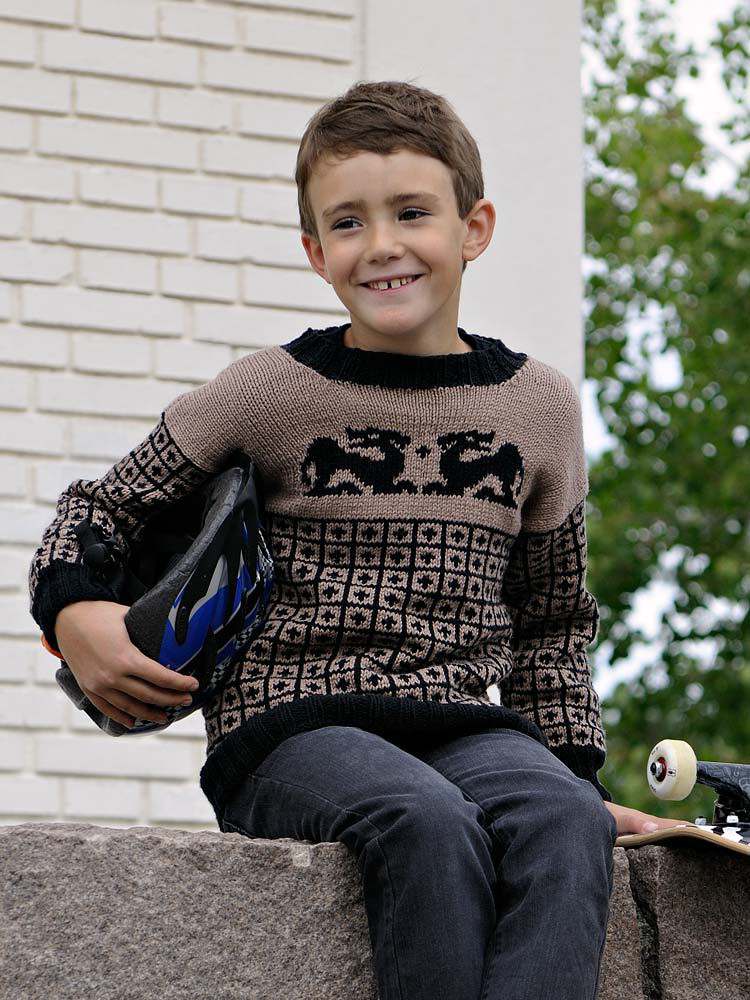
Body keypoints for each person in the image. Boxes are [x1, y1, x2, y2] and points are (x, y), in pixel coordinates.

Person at [28, 80, 683, 1000]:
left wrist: (570, 776)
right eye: (347, 223)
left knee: (565, 820)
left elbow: (552, 620)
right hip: (291, 731)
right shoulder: (269, 393)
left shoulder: (540, 410)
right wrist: (78, 616)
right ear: (315, 252)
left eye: (412, 213)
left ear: (474, 228)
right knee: (425, 821)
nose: (381, 245)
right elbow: (97, 510)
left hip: (463, 725)